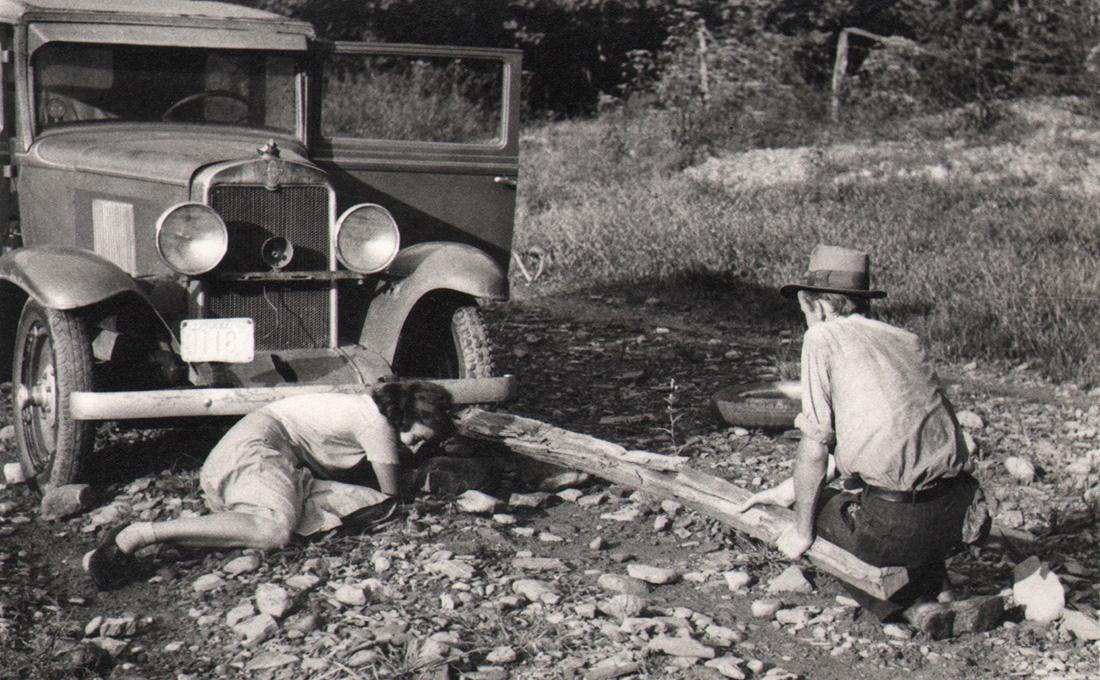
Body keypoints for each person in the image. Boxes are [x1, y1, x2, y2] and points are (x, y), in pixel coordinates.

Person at [736, 244, 986, 635]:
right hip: (958, 514)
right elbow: (888, 434)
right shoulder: (907, 340)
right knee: (891, 497)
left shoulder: (822, 337)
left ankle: (911, 605)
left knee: (819, 507)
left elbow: (815, 446)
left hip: (901, 522)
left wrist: (801, 529)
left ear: (812, 303)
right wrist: (786, 489)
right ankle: (940, 586)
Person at [86, 381, 455, 590]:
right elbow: (396, 491)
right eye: (420, 437)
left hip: (279, 463)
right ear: (409, 416)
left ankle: (223, 526)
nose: (417, 446)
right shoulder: (377, 425)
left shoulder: (369, 411)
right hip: (255, 449)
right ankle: (139, 534)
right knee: (276, 530)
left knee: (366, 506)